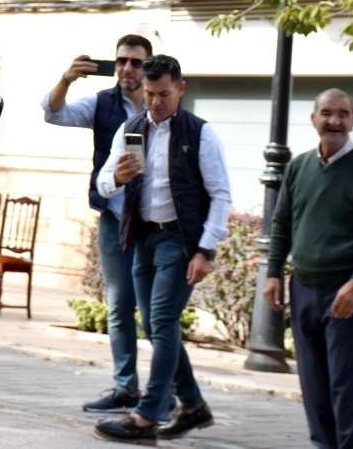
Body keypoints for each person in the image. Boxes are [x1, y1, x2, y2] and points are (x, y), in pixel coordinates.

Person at [92, 54, 233, 444]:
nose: (156, 102)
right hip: (142, 238)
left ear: (180, 89)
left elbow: (221, 195)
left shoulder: (199, 134)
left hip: (181, 241)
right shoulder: (132, 129)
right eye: (150, 93)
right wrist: (114, 179)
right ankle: (193, 406)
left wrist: (206, 250)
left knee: (162, 321)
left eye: (164, 94)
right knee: (155, 327)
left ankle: (148, 415)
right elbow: (104, 178)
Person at [264, 88, 353, 449]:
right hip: (303, 286)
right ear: (314, 119)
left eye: (343, 114)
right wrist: (274, 271)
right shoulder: (299, 167)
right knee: (313, 378)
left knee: (347, 381)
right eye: (327, 113)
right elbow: (282, 223)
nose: (335, 121)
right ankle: (322, 443)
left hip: (346, 291)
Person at [42, 34, 152, 413]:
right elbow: (54, 113)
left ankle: (165, 393)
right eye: (121, 61)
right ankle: (125, 387)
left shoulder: (162, 103)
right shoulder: (103, 103)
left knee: (156, 313)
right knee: (119, 305)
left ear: (148, 66)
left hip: (155, 221)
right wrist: (67, 79)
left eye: (136, 62)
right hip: (114, 216)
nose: (127, 68)